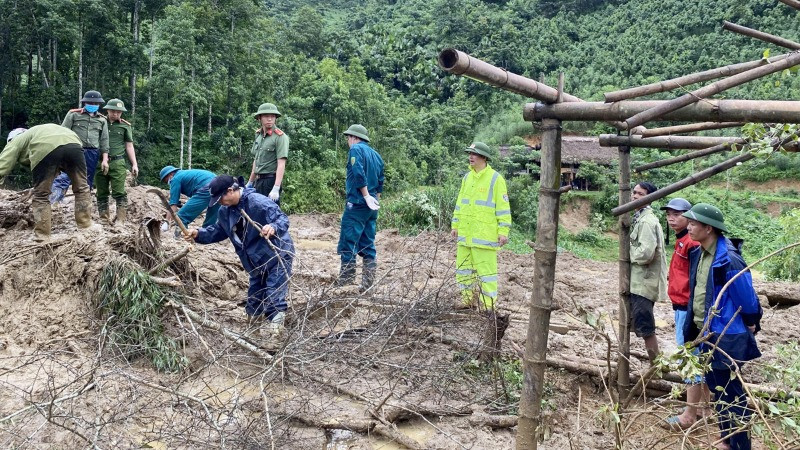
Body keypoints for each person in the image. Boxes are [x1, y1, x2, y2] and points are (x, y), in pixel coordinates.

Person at [683, 203, 761, 450]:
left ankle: (739, 444)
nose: (690, 227)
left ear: (709, 228)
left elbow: (747, 299)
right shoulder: (700, 253)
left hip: (726, 335)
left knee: (731, 393)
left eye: (694, 223)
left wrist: (751, 322)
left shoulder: (729, 259)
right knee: (718, 389)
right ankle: (728, 438)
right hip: (705, 333)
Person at [185, 175, 294, 336]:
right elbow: (219, 231)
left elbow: (282, 219)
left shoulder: (258, 202)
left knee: (274, 296)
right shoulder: (225, 211)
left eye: (220, 198)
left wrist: (273, 227)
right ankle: (253, 334)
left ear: (230, 191)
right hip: (254, 260)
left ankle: (275, 336)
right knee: (254, 298)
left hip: (277, 254)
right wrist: (198, 234)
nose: (220, 203)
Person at [659, 198, 711, 429]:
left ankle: (690, 414)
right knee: (701, 357)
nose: (672, 218)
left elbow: (698, 281)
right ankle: (705, 409)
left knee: (690, 359)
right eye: (669, 213)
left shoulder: (692, 243)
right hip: (683, 307)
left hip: (688, 309)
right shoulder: (683, 241)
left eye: (677, 214)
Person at [0, 124, 94, 240]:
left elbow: (2, 165)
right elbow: (58, 161)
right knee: (82, 188)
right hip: (74, 144)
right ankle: (86, 226)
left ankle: (43, 236)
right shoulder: (38, 132)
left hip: (46, 148)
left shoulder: (17, 140)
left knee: (41, 196)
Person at [450, 142, 512, 310]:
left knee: (487, 274)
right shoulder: (467, 178)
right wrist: (455, 225)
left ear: (484, 157)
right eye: (469, 153)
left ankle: (487, 307)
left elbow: (503, 208)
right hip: (465, 235)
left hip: (484, 236)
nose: (471, 156)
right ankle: (467, 301)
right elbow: (460, 203)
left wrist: (503, 231)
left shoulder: (495, 179)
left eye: (474, 154)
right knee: (463, 271)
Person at [335, 124, 384, 292]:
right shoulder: (377, 156)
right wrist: (374, 200)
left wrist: (364, 196)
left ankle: (346, 283)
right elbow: (380, 181)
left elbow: (358, 172)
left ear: (354, 138)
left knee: (348, 242)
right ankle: (367, 285)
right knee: (367, 243)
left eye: (349, 138)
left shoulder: (355, 150)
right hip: (371, 207)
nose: (348, 141)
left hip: (357, 203)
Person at [629, 181, 667, 362]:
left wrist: (628, 254)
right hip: (639, 282)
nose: (635, 196)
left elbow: (645, 254)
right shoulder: (640, 218)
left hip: (643, 283)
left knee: (645, 325)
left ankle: (656, 364)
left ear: (650, 198)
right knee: (639, 321)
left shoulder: (646, 221)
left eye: (640, 194)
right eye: (634, 192)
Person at [50, 90, 109, 203]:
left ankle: (83, 209)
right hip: (74, 150)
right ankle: (53, 202)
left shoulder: (102, 120)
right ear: (85, 103)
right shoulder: (73, 114)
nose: (92, 105)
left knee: (86, 182)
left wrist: (105, 159)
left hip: (92, 153)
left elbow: (104, 140)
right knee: (64, 177)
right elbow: (62, 133)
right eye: (90, 103)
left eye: (95, 104)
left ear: (99, 105)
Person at [96, 99, 139, 225]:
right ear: (107, 110)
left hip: (117, 162)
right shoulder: (100, 122)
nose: (116, 114)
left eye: (119, 112)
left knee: (120, 192)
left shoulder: (125, 126)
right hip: (100, 162)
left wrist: (134, 164)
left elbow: (129, 146)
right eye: (113, 111)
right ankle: (104, 220)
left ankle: (120, 220)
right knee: (101, 192)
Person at [247, 103, 289, 204]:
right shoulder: (258, 135)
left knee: (271, 215)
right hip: (258, 181)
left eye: (272, 116)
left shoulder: (280, 137)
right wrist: (250, 182)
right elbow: (256, 160)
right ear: (259, 118)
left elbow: (281, 164)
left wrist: (276, 187)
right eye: (266, 116)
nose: (270, 119)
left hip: (270, 181)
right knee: (257, 213)